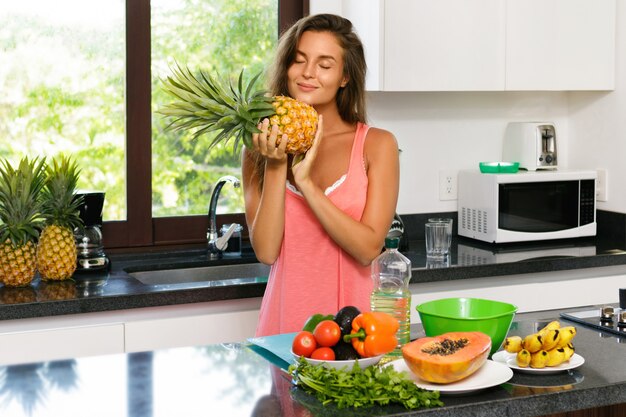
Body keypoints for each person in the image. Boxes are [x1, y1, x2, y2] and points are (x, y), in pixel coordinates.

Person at [242, 14, 400, 337]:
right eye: (299, 61)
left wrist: (307, 185)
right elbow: (267, 251)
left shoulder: (377, 145)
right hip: (285, 333)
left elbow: (369, 247)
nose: (308, 73)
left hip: (357, 336)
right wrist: (276, 164)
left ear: (344, 77)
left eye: (325, 65)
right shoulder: (258, 148)